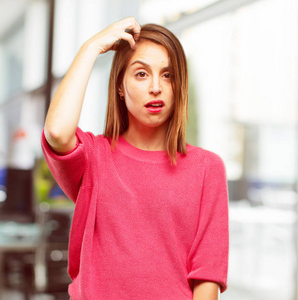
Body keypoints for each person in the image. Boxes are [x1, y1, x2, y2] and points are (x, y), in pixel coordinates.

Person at [42, 17, 228, 299]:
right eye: (141, 74)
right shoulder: (94, 157)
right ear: (120, 86)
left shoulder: (206, 168)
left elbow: (207, 278)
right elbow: (56, 131)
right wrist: (91, 47)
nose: (156, 87)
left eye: (168, 75)